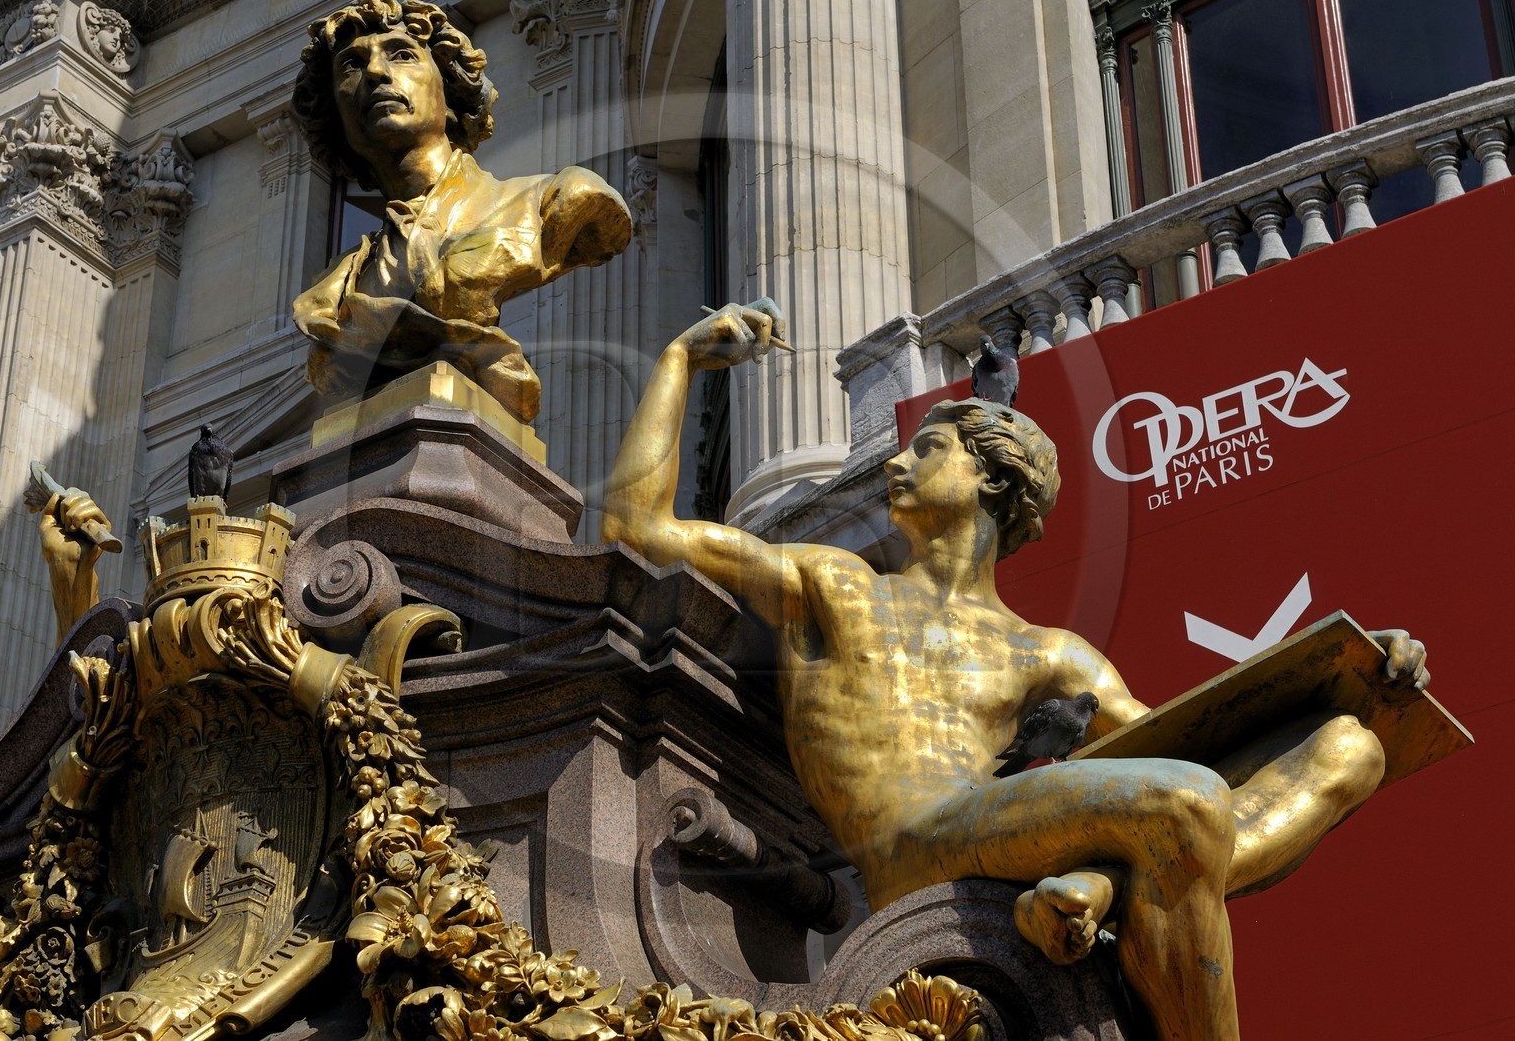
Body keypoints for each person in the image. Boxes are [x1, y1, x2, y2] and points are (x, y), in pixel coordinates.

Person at [601, 301, 1429, 1041]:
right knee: (1186, 806)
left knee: (1350, 749)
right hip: (912, 845)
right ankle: (1099, 887)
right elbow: (638, 526)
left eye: (927, 449)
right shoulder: (833, 583)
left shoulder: (1047, 652)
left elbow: (1185, 741)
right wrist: (678, 360)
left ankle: (1098, 882)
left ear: (991, 477)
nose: (895, 464)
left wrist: (1355, 668)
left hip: (999, 826)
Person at [291, 0, 632, 422]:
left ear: (449, 89)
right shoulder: (337, 288)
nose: (376, 73)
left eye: (401, 55)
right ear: (335, 114)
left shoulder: (552, 200)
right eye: (352, 65)